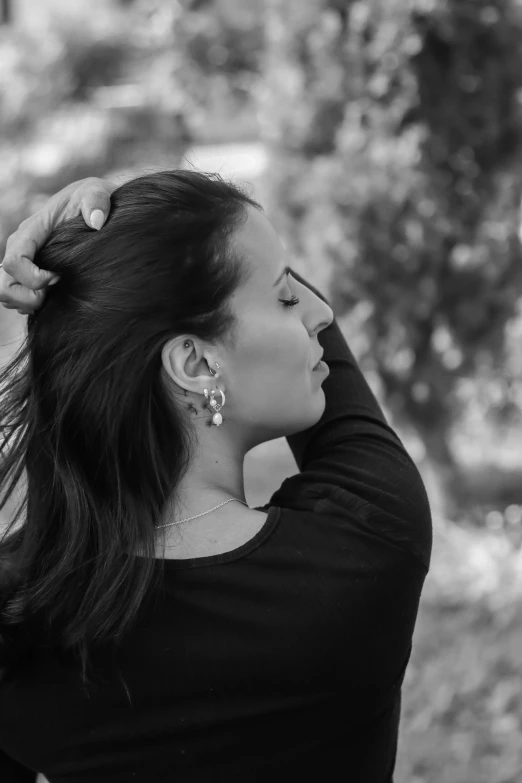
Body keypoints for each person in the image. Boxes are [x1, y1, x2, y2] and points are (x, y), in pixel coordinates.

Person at [0, 171, 432, 783]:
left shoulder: (18, 613)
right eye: (287, 298)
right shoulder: (367, 546)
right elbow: (335, 367)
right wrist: (118, 216)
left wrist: (98, 259)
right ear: (197, 363)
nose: (320, 312)